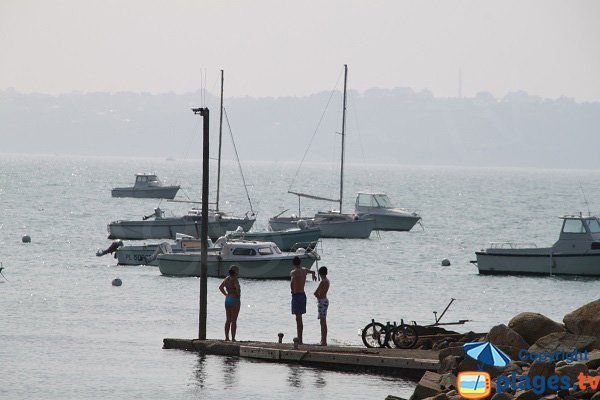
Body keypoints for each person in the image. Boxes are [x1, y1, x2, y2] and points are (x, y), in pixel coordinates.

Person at [290, 256, 316, 344]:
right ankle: (300, 338)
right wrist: (313, 275)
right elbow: (312, 271)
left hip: (297, 295)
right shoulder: (304, 270)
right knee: (299, 318)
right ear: (300, 262)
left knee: (298, 318)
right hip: (303, 295)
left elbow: (292, 282)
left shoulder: (293, 272)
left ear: (293, 264)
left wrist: (292, 291)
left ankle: (300, 339)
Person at [219, 265, 241, 341]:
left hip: (227, 299)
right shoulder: (235, 279)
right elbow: (237, 288)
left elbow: (220, 287)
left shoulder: (226, 279)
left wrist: (225, 294)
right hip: (235, 299)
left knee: (228, 320)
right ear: (236, 272)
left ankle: (226, 337)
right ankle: (233, 338)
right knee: (234, 320)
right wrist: (238, 294)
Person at [313, 266, 330, 346]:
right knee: (323, 321)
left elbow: (316, 293)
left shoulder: (323, 282)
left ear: (320, 273)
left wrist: (318, 298)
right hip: (325, 300)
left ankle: (323, 341)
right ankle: (323, 340)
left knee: (322, 322)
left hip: (322, 301)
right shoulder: (327, 281)